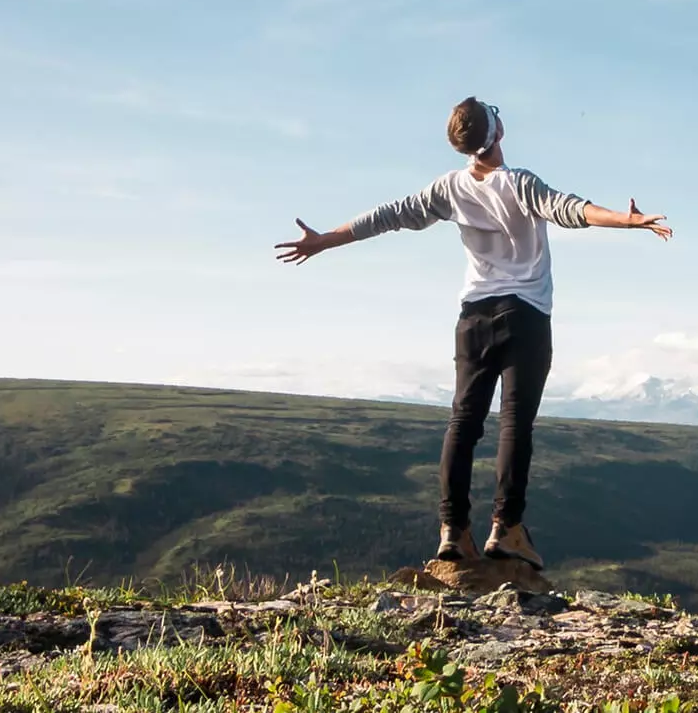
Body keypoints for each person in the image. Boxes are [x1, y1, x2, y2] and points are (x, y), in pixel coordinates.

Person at [274, 97, 671, 570]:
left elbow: (387, 215)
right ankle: (506, 530)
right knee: (514, 424)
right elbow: (570, 210)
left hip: (473, 317)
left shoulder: (450, 188)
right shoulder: (519, 184)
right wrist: (628, 221)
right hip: (525, 315)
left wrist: (324, 241)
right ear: (496, 132)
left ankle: (452, 532)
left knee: (463, 423)